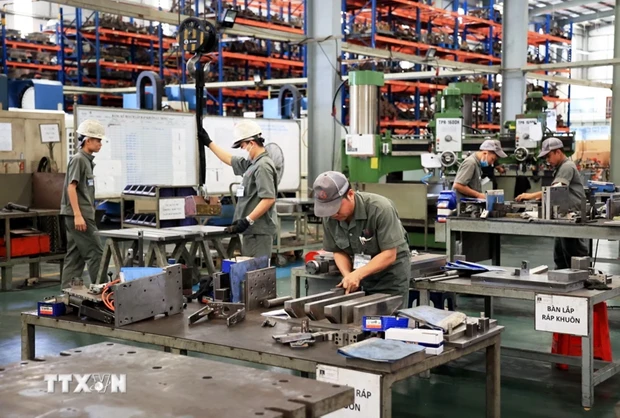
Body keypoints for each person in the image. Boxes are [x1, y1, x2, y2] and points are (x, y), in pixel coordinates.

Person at [312, 171, 411, 305]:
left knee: (391, 320)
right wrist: (348, 275)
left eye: (336, 207)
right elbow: (338, 250)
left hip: (389, 278)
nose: (333, 213)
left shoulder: (380, 209)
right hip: (360, 276)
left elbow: (389, 254)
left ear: (350, 195)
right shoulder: (330, 217)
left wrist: (357, 274)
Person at [199, 120, 277, 258]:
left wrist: (248, 220)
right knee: (252, 272)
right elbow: (230, 159)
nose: (243, 150)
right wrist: (209, 143)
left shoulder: (262, 166)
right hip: (252, 230)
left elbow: (269, 199)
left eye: (242, 146)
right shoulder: (252, 165)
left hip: (258, 231)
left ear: (251, 143)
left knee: (257, 273)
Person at [516, 137, 588, 269]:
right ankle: (561, 281)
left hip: (572, 216)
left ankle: (582, 280)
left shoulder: (567, 166)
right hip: (563, 215)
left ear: (558, 152)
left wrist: (529, 195)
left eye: (549, 156)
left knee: (574, 254)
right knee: (560, 256)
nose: (547, 161)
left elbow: (555, 190)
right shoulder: (561, 167)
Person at [59, 120, 105, 289]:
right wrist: (78, 215)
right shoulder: (79, 160)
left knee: (75, 255)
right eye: (97, 140)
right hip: (79, 216)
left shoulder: (86, 160)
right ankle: (103, 292)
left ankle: (67, 292)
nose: (100, 144)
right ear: (87, 140)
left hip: (80, 214)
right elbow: (71, 188)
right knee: (96, 253)